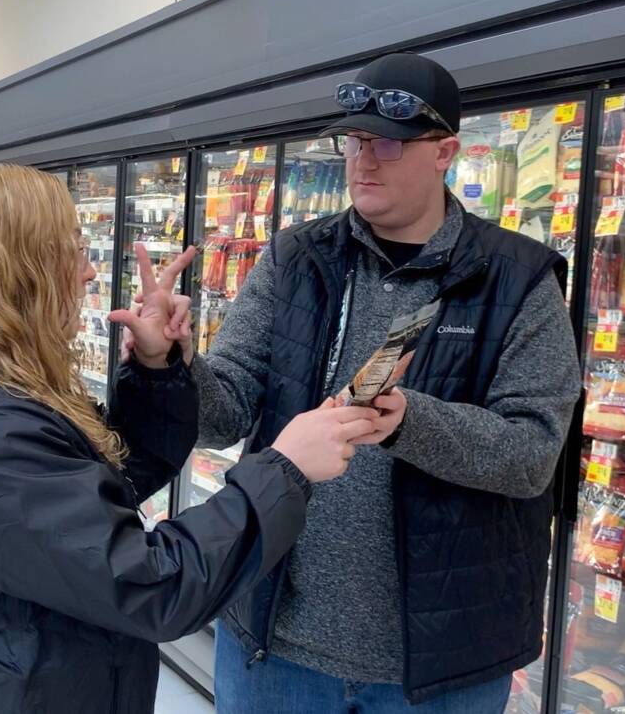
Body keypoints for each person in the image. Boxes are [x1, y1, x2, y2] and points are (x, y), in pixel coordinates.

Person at [129, 52, 583, 712]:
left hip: (440, 668)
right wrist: (166, 366)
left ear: (444, 152)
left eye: (390, 143)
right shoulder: (294, 258)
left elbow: (531, 454)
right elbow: (225, 411)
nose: (364, 159)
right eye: (355, 140)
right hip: (272, 642)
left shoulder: (519, 280)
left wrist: (407, 421)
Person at [0, 163, 379, 714]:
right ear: (14, 269)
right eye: (69, 251)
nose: (86, 273)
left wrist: (154, 369)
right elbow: (155, 586)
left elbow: (107, 484)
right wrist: (284, 469)